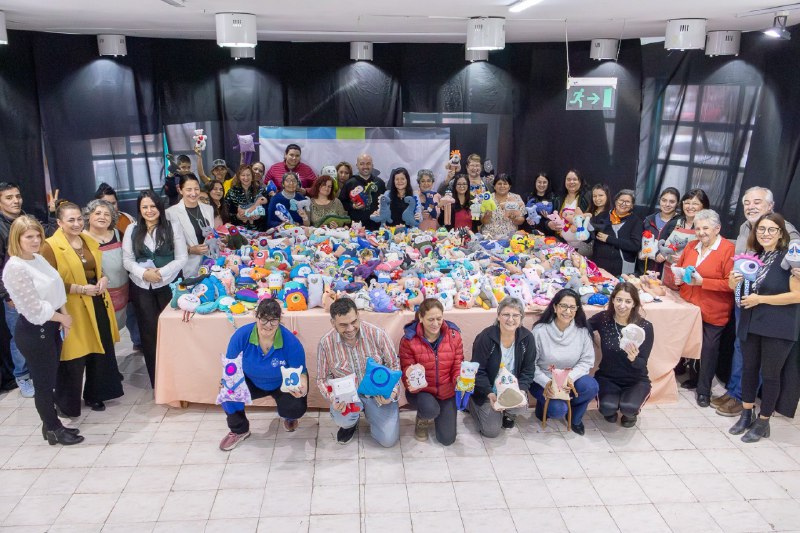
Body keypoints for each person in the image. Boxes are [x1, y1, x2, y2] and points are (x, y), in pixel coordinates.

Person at [714, 187, 800, 417]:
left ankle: (743, 398)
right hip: (743, 297)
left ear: (770, 206)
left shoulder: (786, 230)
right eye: (746, 202)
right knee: (740, 347)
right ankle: (734, 391)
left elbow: (795, 261)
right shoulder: (745, 228)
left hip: (767, 304)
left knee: (756, 356)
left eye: (757, 202)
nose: (750, 206)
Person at [2, 216, 82, 445]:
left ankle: (51, 426)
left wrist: (63, 315)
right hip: (35, 331)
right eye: (29, 236)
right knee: (44, 384)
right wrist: (63, 318)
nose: (36, 240)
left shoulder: (37, 259)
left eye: (38, 235)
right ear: (17, 239)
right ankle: (53, 429)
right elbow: (33, 309)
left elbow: (57, 288)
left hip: (52, 325)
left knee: (50, 379)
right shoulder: (15, 268)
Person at [41, 201, 124, 415]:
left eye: (79, 219)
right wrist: (78, 288)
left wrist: (103, 279)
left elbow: (98, 270)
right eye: (71, 220)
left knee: (100, 349)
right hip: (71, 307)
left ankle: (96, 394)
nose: (77, 223)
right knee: (74, 356)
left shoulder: (88, 241)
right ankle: (66, 403)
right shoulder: (50, 246)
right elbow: (48, 282)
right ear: (59, 222)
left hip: (96, 302)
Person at [727, 213, 800, 442]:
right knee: (749, 369)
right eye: (761, 229)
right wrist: (733, 281)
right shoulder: (753, 256)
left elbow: (797, 296)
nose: (765, 233)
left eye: (771, 229)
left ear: (781, 233)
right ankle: (746, 413)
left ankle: (764, 420)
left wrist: (761, 300)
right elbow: (737, 288)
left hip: (778, 326)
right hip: (750, 322)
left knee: (770, 375)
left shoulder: (790, 261)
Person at [218, 299, 309, 451]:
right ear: (256, 316)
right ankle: (239, 430)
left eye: (273, 320)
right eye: (264, 319)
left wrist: (303, 386)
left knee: (295, 406)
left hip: (281, 383)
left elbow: (301, 372)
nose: (268, 325)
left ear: (280, 319)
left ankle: (290, 417)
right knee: (227, 391)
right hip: (251, 381)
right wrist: (226, 382)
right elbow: (231, 366)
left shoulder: (291, 342)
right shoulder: (241, 335)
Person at [122, 191, 187, 387]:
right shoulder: (132, 229)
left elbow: (181, 257)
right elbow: (127, 260)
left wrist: (160, 272)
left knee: (174, 329)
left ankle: (178, 377)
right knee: (149, 334)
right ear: (139, 210)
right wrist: (144, 274)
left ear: (160, 208)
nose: (149, 211)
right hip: (142, 286)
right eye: (144, 207)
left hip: (169, 283)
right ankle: (158, 381)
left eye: (153, 206)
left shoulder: (172, 226)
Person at [316, 298, 400, 447]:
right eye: (343, 325)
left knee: (388, 440)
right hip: (347, 398)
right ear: (332, 323)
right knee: (343, 419)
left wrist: (392, 394)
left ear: (358, 316)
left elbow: (394, 365)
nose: (350, 329)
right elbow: (322, 379)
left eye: (353, 322)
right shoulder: (325, 343)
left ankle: (374, 417)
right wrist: (333, 397)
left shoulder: (378, 334)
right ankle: (349, 425)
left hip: (378, 395)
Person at [0, 182, 57, 396]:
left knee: (40, 333)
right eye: (9, 197)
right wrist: (7, 296)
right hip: (15, 293)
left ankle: (40, 374)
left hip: (37, 289)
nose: (15, 200)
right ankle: (23, 377)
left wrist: (52, 213)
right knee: (19, 336)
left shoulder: (27, 218)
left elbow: (47, 235)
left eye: (17, 195)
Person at [673, 209, 734, 407]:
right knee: (691, 345)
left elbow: (730, 284)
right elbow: (681, 270)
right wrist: (678, 278)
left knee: (708, 351)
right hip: (690, 308)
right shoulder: (691, 246)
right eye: (698, 228)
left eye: (705, 228)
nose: (701, 232)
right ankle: (693, 378)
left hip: (714, 311)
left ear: (717, 228)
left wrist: (703, 282)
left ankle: (704, 391)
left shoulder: (727, 249)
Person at [530, 289, 598, 435]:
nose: (568, 311)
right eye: (563, 306)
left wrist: (568, 379)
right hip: (544, 380)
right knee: (557, 410)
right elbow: (530, 364)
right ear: (554, 307)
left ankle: (575, 418)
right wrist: (548, 383)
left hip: (570, 379)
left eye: (572, 307)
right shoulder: (540, 331)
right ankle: (545, 407)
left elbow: (586, 361)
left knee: (591, 387)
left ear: (577, 309)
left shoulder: (582, 331)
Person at [589, 282, 654, 428]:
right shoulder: (603, 319)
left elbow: (642, 363)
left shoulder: (645, 327)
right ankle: (610, 410)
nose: (622, 305)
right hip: (608, 377)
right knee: (607, 407)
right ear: (612, 300)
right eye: (619, 299)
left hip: (636, 380)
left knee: (628, 407)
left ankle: (630, 414)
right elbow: (583, 326)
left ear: (634, 304)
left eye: (628, 301)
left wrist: (633, 359)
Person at [399, 298, 463, 445]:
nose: (436, 324)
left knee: (447, 439)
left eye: (439, 319)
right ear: (421, 318)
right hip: (422, 391)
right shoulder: (409, 340)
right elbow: (406, 369)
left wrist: (459, 379)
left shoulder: (454, 336)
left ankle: (440, 412)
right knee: (430, 409)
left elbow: (457, 365)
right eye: (431, 319)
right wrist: (411, 382)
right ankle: (423, 418)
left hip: (447, 391)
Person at [469, 298, 536, 437]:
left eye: (515, 315)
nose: (510, 319)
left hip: (511, 389)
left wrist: (522, 390)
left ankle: (508, 413)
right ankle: (473, 405)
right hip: (489, 391)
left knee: (522, 407)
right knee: (491, 431)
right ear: (499, 316)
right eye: (506, 314)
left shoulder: (527, 338)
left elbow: (528, 370)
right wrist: (489, 393)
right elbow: (478, 371)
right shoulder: (486, 337)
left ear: (521, 318)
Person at [93, 183, 141, 350]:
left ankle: (138, 342)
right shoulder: (88, 230)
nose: (110, 208)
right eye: (104, 204)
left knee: (132, 311)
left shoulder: (126, 220)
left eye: (112, 203)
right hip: (105, 286)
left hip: (127, 278)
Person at [84, 200, 129, 329]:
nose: (102, 217)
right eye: (98, 213)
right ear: (88, 216)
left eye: (107, 214)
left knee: (117, 328)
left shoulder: (118, 233)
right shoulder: (81, 238)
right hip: (99, 294)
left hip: (122, 291)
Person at [165, 174, 215, 279]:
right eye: (188, 190)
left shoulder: (208, 209)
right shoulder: (171, 213)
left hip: (210, 263)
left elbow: (210, 234)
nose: (193, 193)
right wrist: (190, 250)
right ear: (180, 190)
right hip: (188, 268)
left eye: (196, 189)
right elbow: (168, 244)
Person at [661, 188, 710, 289]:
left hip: (691, 277)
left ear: (704, 206)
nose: (690, 207)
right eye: (687, 203)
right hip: (669, 272)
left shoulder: (708, 227)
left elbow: (710, 255)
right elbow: (661, 243)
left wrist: (686, 259)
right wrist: (661, 254)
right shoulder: (674, 222)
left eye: (695, 204)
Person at [591, 189, 643, 276]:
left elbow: (635, 245)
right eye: (621, 200)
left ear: (632, 206)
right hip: (599, 265)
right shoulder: (603, 216)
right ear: (616, 201)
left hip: (622, 268)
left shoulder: (636, 221)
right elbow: (591, 236)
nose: (623, 204)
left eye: (627, 202)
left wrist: (609, 239)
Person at [339, 153, 387, 231]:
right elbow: (341, 203)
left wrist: (380, 211)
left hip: (376, 228)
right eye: (362, 164)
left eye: (368, 163)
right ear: (357, 165)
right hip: (355, 228)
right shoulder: (349, 183)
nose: (365, 167)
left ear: (372, 165)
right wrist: (352, 206)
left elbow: (386, 203)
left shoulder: (380, 183)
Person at [640, 187, 681, 275]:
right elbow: (639, 242)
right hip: (645, 269)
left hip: (667, 271)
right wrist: (639, 253)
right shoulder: (648, 220)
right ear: (659, 200)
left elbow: (682, 247)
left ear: (677, 203)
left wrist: (664, 255)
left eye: (672, 201)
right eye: (664, 200)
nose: (667, 204)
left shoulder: (680, 222)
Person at [480, 174, 525, 240]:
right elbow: (483, 221)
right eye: (499, 184)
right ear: (494, 186)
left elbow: (521, 220)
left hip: (510, 237)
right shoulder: (487, 198)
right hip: (489, 236)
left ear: (509, 186)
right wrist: (487, 216)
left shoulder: (516, 198)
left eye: (505, 184)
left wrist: (514, 218)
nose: (502, 186)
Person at [225, 165, 267, 231]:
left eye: (248, 175)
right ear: (239, 176)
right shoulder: (232, 192)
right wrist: (237, 216)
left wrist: (260, 216)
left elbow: (268, 209)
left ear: (252, 176)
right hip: (238, 231)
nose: (246, 178)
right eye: (243, 175)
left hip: (259, 230)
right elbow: (225, 212)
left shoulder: (261, 190)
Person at [549, 169, 590, 235]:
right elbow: (551, 216)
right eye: (568, 179)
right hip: (561, 242)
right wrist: (548, 224)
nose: (571, 182)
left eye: (575, 179)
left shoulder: (587, 197)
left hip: (582, 241)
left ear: (580, 182)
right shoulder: (558, 199)